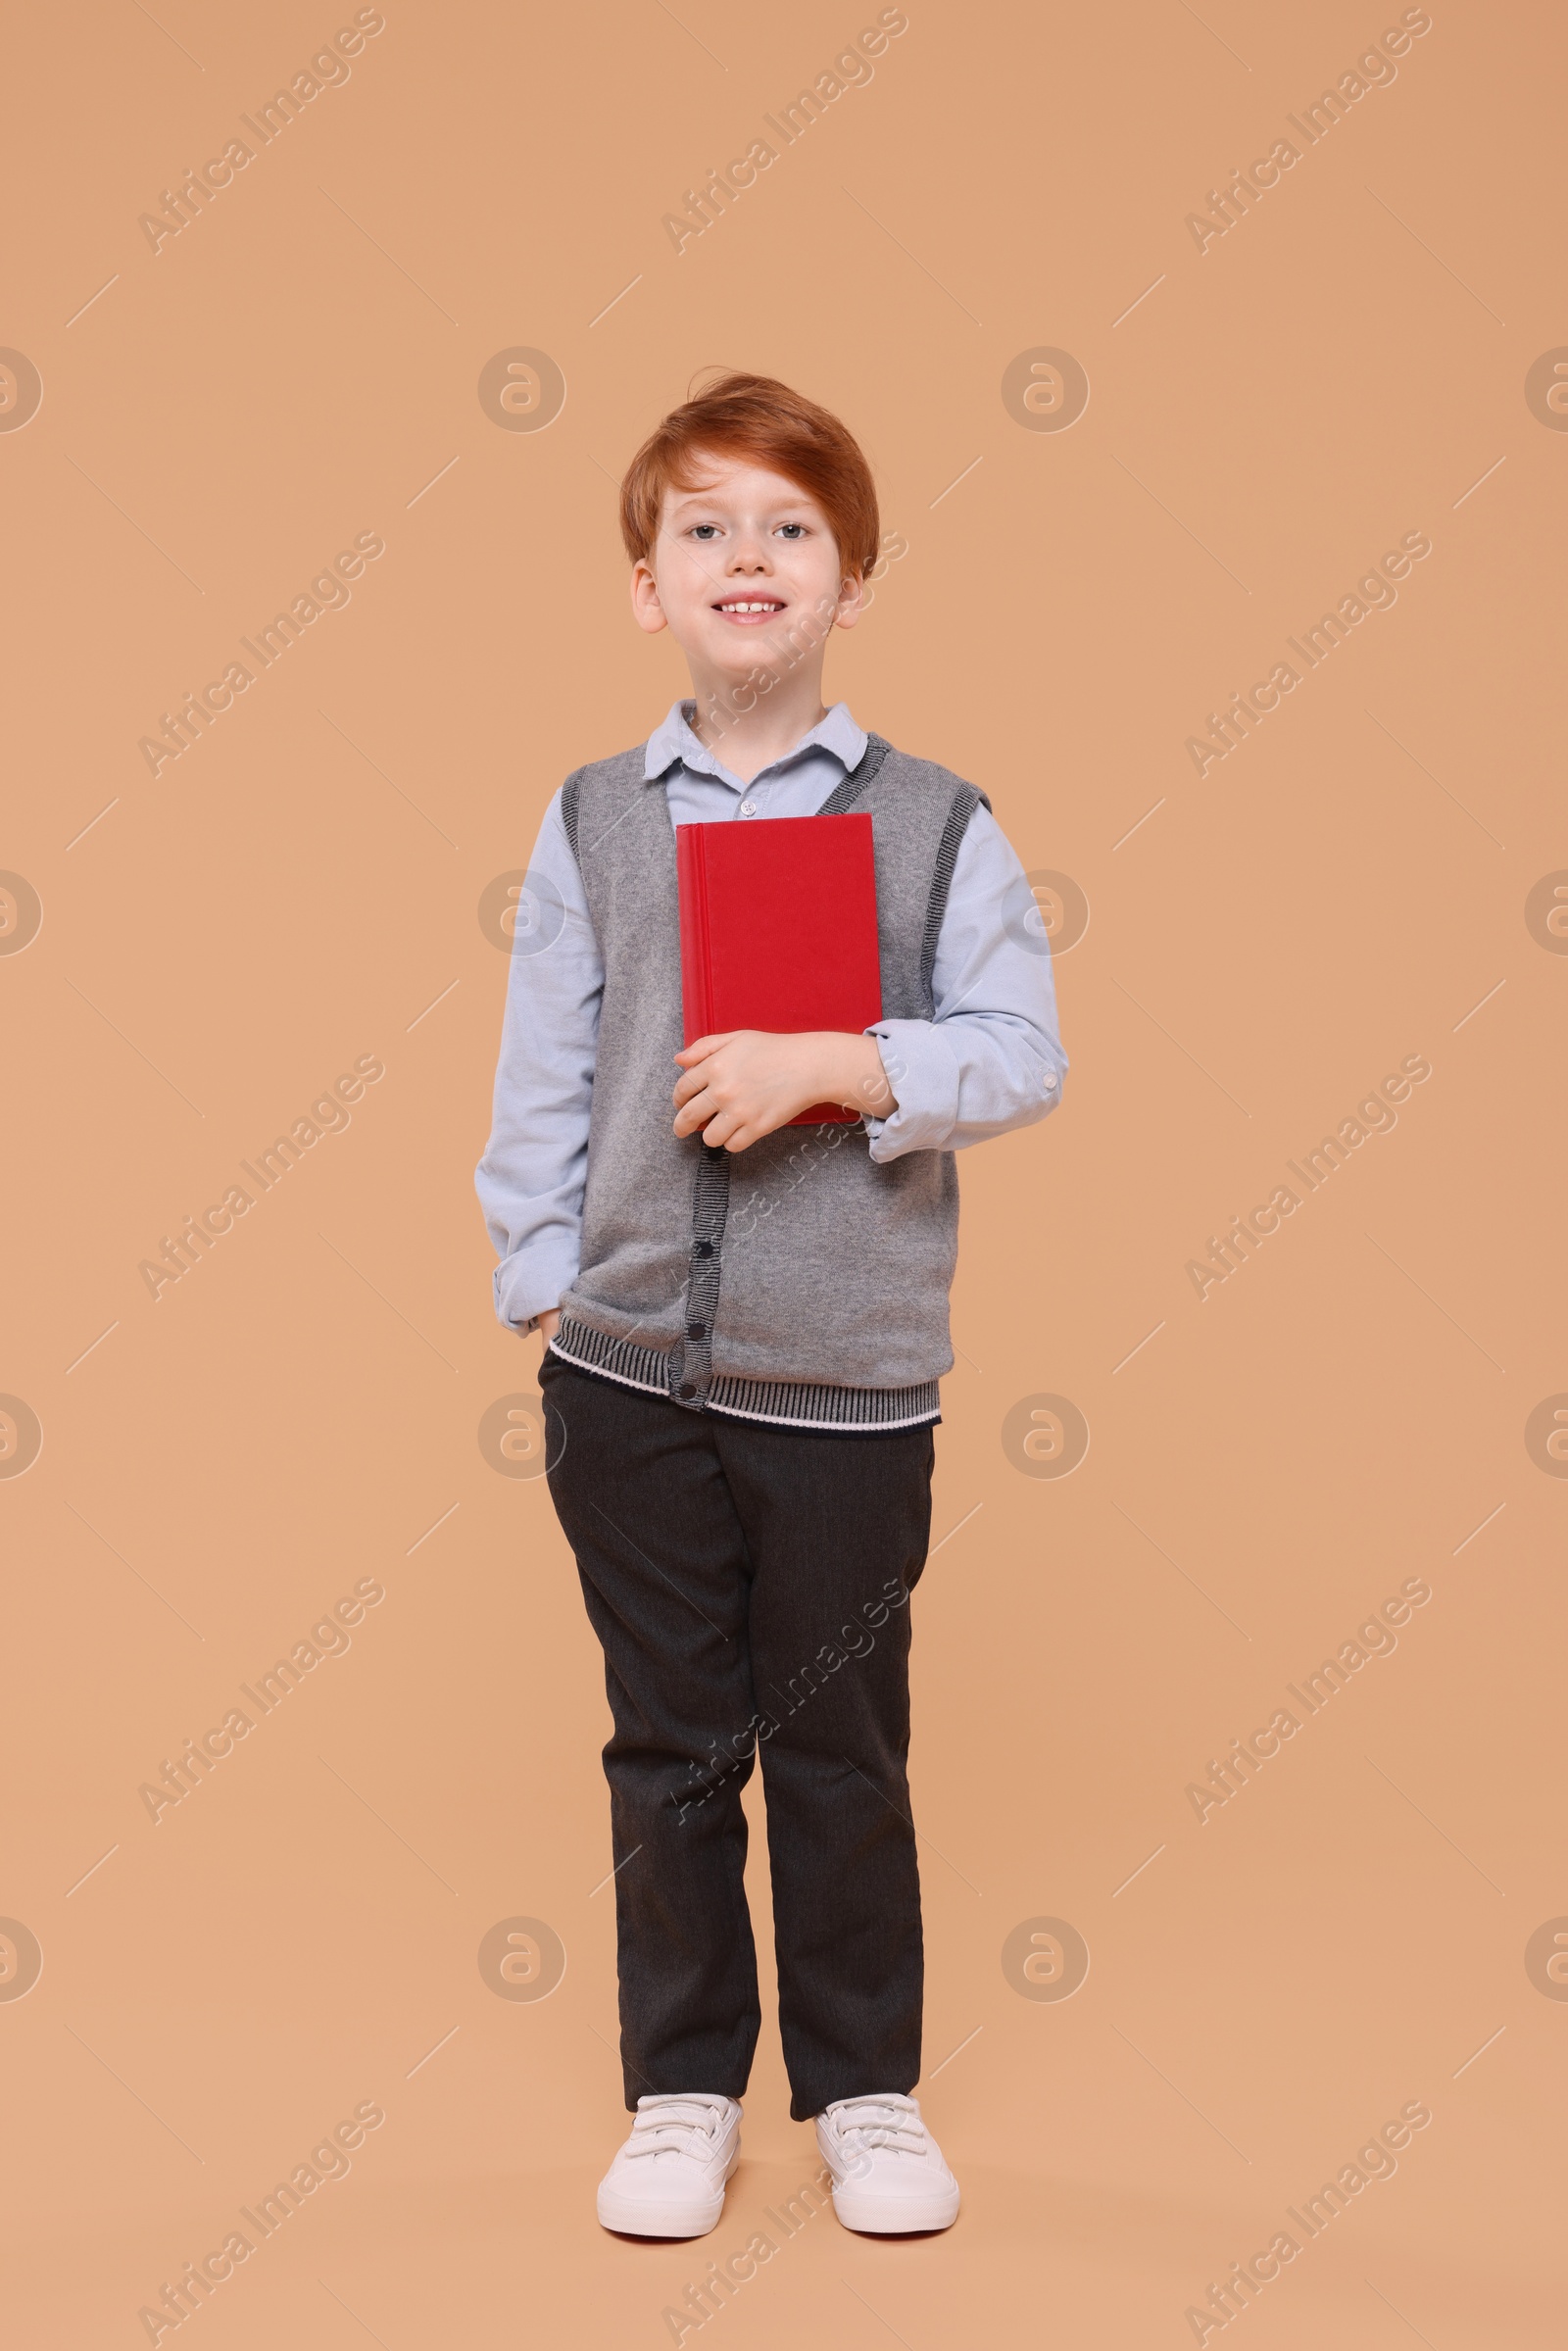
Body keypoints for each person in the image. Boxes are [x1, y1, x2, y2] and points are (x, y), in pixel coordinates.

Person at [476, 370, 1067, 2239]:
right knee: (668, 1740)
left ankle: (868, 2090)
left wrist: (845, 1060)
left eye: (793, 526)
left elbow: (1021, 1053)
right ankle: (679, 2091)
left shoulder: (942, 818)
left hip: (851, 1378)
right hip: (632, 1367)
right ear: (645, 584)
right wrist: (544, 1281)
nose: (751, 555)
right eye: (707, 526)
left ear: (854, 578)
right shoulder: (589, 819)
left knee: (837, 1740)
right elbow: (546, 1074)